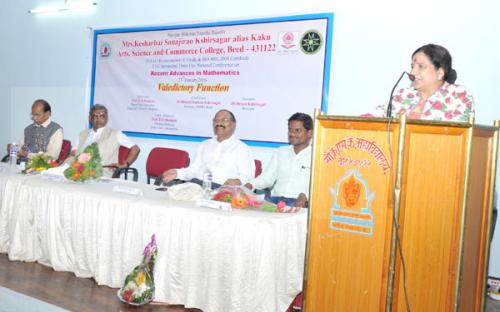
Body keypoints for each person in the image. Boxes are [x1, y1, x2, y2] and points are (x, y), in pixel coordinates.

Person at [226, 112, 313, 208]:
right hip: (274, 200)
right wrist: (250, 185)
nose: (292, 133)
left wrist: (306, 196)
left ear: (309, 133)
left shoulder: (316, 157)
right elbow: (267, 178)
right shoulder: (280, 152)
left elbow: (320, 187)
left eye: (297, 130)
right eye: (290, 129)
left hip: (299, 202)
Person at [371, 44, 474, 121]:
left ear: (439, 73)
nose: (412, 72)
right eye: (412, 67)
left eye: (421, 66)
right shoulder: (403, 95)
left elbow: (459, 134)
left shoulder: (458, 95)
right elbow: (373, 118)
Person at [162, 109, 255, 187]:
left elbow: (248, 176)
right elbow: (194, 169)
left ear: (234, 125)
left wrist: (238, 181)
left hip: (222, 191)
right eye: (216, 120)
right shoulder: (204, 145)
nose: (219, 123)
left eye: (224, 120)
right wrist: (177, 173)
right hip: (197, 187)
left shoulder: (242, 148)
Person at [71, 104, 140, 177]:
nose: (98, 119)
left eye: (102, 116)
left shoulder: (115, 134)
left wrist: (126, 164)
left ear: (106, 118)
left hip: (101, 173)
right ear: (90, 118)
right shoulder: (82, 134)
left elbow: (136, 149)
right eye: (95, 116)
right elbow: (73, 153)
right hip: (78, 172)